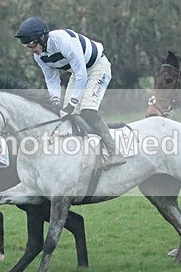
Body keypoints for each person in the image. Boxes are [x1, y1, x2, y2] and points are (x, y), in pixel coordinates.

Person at [14, 16, 125, 167]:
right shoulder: (39, 57)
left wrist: (71, 103)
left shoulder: (64, 42)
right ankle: (92, 146)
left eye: (32, 44)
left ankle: (114, 152)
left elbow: (81, 74)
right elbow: (52, 80)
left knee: (88, 110)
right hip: (78, 73)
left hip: (97, 68)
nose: (32, 50)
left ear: (42, 37)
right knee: (70, 115)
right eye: (27, 46)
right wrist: (54, 101)